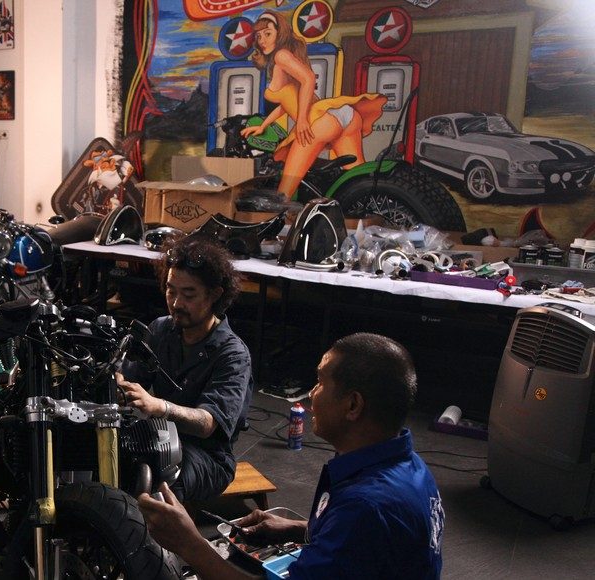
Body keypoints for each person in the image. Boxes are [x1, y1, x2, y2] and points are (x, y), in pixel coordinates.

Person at [138, 333, 444, 579]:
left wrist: (190, 543)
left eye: (321, 382)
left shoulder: (366, 507)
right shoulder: (412, 469)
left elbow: (361, 527)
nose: (311, 393)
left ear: (353, 406)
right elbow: (367, 549)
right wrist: (300, 529)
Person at [116, 237, 253, 501]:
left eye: (189, 295)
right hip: (160, 437)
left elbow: (208, 423)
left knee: (164, 481)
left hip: (208, 457)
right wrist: (116, 381)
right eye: (171, 291)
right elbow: (129, 378)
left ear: (215, 295)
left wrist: (159, 406)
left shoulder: (233, 354)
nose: (177, 303)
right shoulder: (160, 330)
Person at [240, 10, 386, 199]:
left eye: (268, 34)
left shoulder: (281, 56)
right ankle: (378, 208)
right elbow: (287, 103)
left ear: (280, 33)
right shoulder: (285, 60)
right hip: (345, 116)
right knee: (359, 184)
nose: (262, 40)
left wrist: (301, 121)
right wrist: (264, 125)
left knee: (283, 194)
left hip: (320, 121)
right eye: (259, 36)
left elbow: (309, 78)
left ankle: (287, 217)